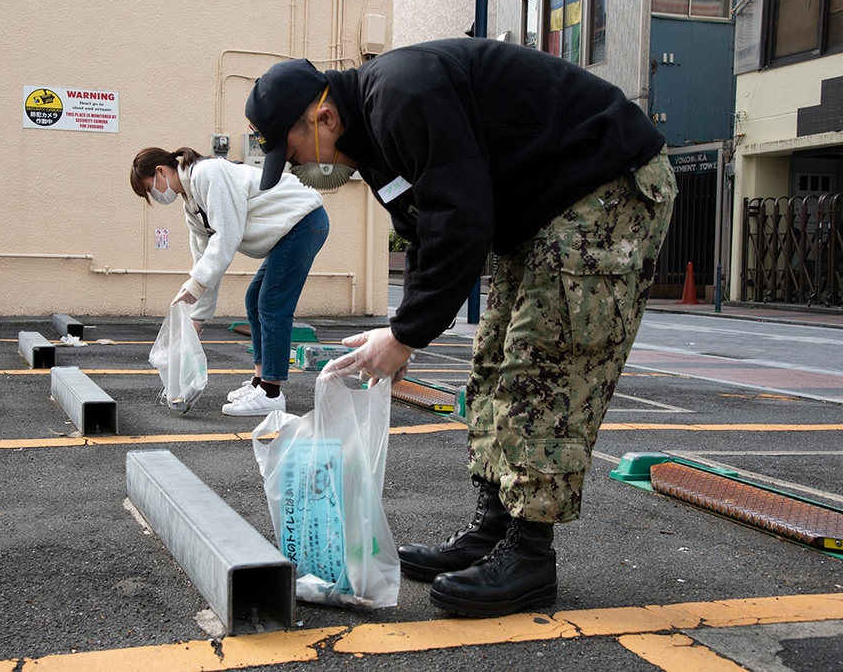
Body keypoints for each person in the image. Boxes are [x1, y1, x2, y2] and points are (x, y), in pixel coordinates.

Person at [245, 38, 677, 617]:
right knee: (494, 360)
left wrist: (404, 337)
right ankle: (494, 528)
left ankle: (528, 558)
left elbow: (461, 219)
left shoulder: (401, 95)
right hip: (542, 209)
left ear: (322, 117)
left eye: (293, 153)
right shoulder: (371, 141)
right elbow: (426, 232)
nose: (296, 167)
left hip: (604, 188)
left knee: (543, 365)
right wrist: (404, 328)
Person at [130, 147, 329, 416]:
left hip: (303, 221)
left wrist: (194, 286)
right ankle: (261, 381)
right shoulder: (191, 205)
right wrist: (196, 319)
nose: (155, 194)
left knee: (272, 303)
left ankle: (271, 393)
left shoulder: (207, 174)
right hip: (290, 229)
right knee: (255, 300)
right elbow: (205, 260)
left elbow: (227, 237)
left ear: (160, 172)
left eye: (149, 188)